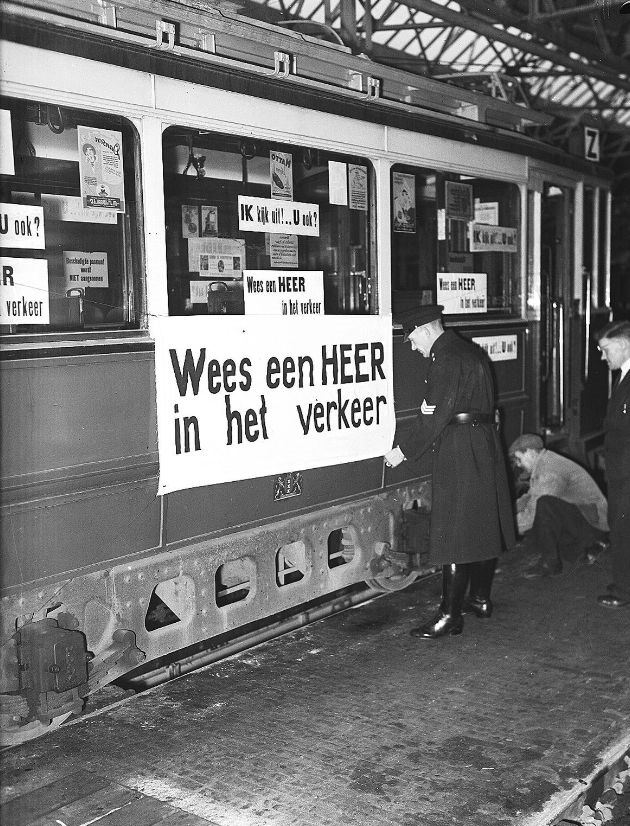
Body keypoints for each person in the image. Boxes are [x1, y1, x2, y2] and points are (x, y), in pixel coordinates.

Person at [384, 305, 515, 638]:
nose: (412, 347)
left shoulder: (446, 360)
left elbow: (434, 416)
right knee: (482, 524)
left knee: (455, 530)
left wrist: (402, 451)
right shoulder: (470, 352)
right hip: (483, 444)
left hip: (460, 448)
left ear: (426, 330)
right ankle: (480, 599)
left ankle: (449, 616)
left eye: (413, 339)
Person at [508, 434, 608, 577]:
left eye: (518, 459)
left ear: (530, 452)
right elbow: (529, 496)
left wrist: (506, 530)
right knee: (539, 514)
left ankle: (551, 563)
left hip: (595, 524)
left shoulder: (550, 470)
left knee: (544, 505)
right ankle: (581, 550)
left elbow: (534, 511)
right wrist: (506, 513)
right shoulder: (545, 462)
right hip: (585, 517)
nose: (518, 464)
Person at [595, 320, 630, 608]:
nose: (603, 356)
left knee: (622, 529)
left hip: (627, 473)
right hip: (621, 469)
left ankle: (624, 590)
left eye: (605, 349)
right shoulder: (623, 376)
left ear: (623, 345)